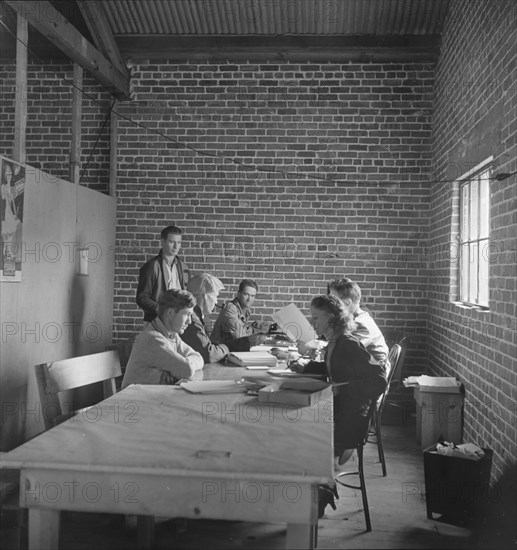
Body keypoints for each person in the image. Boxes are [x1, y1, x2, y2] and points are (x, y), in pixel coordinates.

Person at [290, 294, 387, 466]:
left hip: (351, 417)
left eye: (315, 317)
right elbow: (334, 369)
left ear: (332, 318)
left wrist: (343, 389)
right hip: (341, 407)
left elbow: (379, 380)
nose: (312, 323)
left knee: (297, 422)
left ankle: (317, 475)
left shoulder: (348, 344)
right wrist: (306, 368)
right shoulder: (334, 342)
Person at [122, 289, 203, 388]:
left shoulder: (172, 336)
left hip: (151, 397)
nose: (189, 321)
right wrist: (189, 364)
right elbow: (187, 370)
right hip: (132, 400)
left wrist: (188, 363)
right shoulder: (153, 339)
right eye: (187, 314)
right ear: (170, 313)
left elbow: (198, 357)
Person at [181, 273, 250, 363]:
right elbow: (209, 354)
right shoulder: (192, 320)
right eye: (215, 296)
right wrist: (227, 346)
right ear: (205, 296)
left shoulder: (196, 315)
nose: (216, 301)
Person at [328, 277, 389, 369]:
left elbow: (341, 353)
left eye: (333, 301)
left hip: (369, 377)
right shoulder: (357, 318)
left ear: (347, 303)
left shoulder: (360, 324)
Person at [136, 225, 189, 323]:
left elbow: (186, 295)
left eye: (179, 242)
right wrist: (161, 310)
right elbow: (142, 298)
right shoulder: (151, 266)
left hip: (177, 322)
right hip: (155, 321)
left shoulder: (184, 268)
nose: (176, 246)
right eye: (172, 242)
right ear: (162, 242)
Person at [210, 279, 264, 345]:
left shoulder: (247, 311)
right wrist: (255, 329)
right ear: (238, 294)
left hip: (231, 348)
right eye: (246, 294)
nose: (249, 299)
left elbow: (242, 334)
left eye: (252, 296)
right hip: (219, 350)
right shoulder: (230, 308)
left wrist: (253, 327)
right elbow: (240, 336)